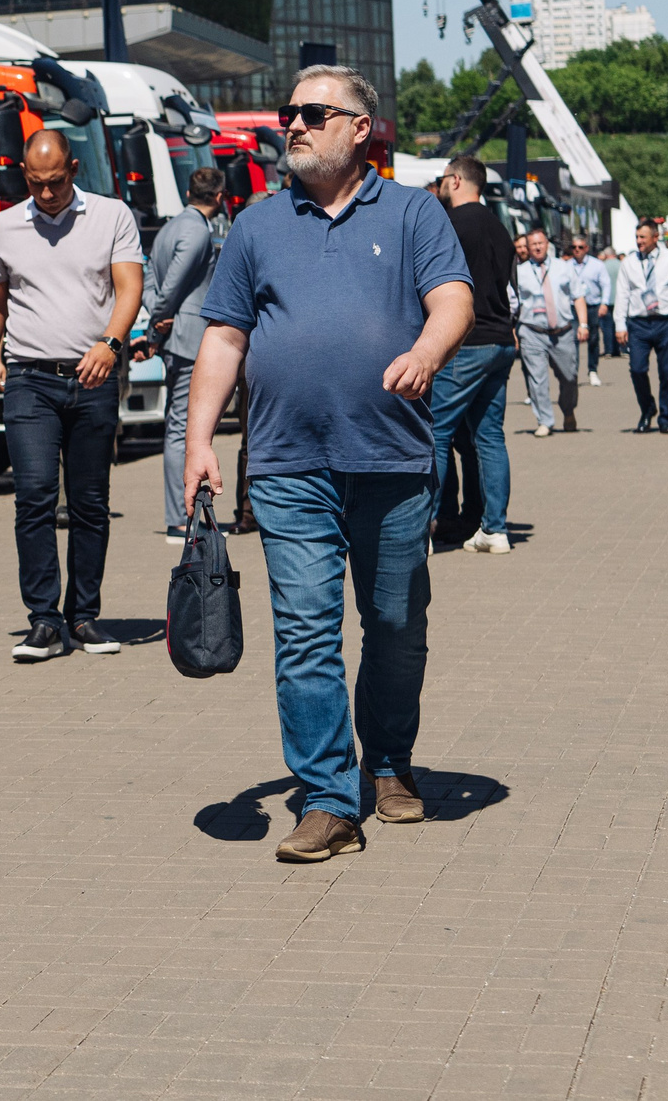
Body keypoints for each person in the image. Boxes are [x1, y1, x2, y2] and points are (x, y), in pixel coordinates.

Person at [183, 65, 474, 863]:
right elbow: (224, 337)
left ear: (360, 129)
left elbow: (453, 297)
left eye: (315, 112)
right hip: (286, 464)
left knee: (393, 624)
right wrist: (200, 440)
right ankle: (327, 797)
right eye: (290, 113)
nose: (296, 124)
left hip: (392, 456)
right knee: (306, 631)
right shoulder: (256, 225)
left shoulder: (414, 212)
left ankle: (388, 761)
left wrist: (425, 349)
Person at [0, 128, 145, 662]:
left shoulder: (112, 215)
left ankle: (84, 615)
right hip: (29, 380)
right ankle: (44, 621)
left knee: (90, 503)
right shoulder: (3, 227)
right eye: (36, 184)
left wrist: (110, 345)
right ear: (26, 176)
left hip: (93, 379)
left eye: (55, 182)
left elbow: (129, 286)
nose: (47, 194)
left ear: (73, 169)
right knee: (35, 497)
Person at [426, 156, 520, 554]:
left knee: (437, 433)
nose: (442, 185)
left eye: (445, 178)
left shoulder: (451, 225)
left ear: (458, 180)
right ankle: (494, 530)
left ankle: (422, 531)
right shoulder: (500, 227)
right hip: (500, 340)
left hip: (468, 341)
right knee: (489, 437)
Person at [137, 165, 227, 538]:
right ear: (219, 197)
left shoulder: (170, 227)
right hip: (189, 337)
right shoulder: (195, 232)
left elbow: (147, 274)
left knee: (180, 427)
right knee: (183, 430)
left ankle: (182, 515)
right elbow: (173, 283)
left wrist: (157, 316)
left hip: (176, 334)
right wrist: (160, 315)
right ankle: (180, 518)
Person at [612, 218, 668, 433]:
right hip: (638, 323)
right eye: (637, 237)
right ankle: (648, 408)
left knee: (667, 371)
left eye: (643, 237)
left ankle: (665, 417)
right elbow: (621, 294)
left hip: (666, 321)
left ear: (655, 238)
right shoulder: (628, 263)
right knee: (637, 368)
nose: (639, 241)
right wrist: (619, 324)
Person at [513, 229, 583, 436]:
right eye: (532, 244)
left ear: (547, 244)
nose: (537, 247)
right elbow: (512, 304)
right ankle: (545, 420)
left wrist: (584, 325)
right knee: (537, 379)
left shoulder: (564, 268)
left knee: (569, 377)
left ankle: (568, 410)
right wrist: (513, 331)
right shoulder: (520, 271)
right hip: (532, 332)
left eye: (540, 243)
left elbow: (578, 296)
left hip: (563, 332)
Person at [569, 235, 612, 386]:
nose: (577, 250)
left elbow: (606, 284)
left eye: (580, 247)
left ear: (586, 248)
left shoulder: (597, 265)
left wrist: (604, 303)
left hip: (592, 306)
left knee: (593, 339)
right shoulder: (567, 266)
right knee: (573, 339)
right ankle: (573, 373)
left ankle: (592, 370)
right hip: (573, 308)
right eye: (574, 247)